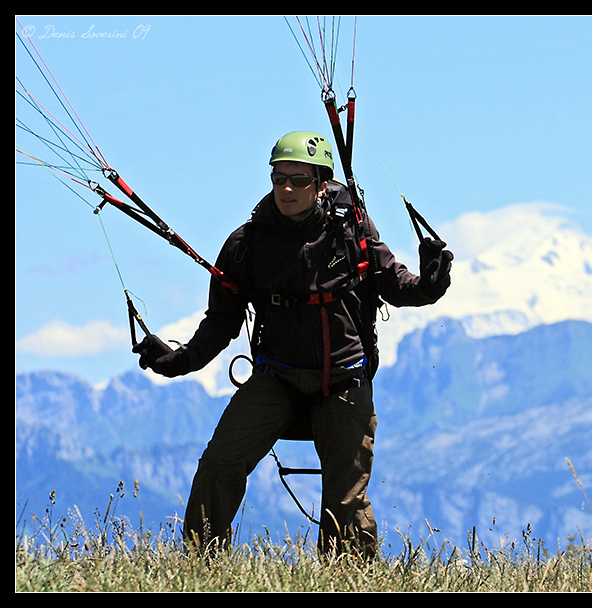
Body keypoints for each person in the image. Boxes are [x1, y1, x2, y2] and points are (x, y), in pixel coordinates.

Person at [132, 131, 452, 558]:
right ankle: (200, 566)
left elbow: (397, 283)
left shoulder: (352, 230)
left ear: (321, 184)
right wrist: (178, 361)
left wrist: (432, 282)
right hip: (276, 378)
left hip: (343, 381)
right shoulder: (247, 244)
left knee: (345, 498)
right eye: (278, 178)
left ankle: (348, 583)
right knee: (220, 463)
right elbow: (221, 321)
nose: (286, 188)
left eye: (298, 180)